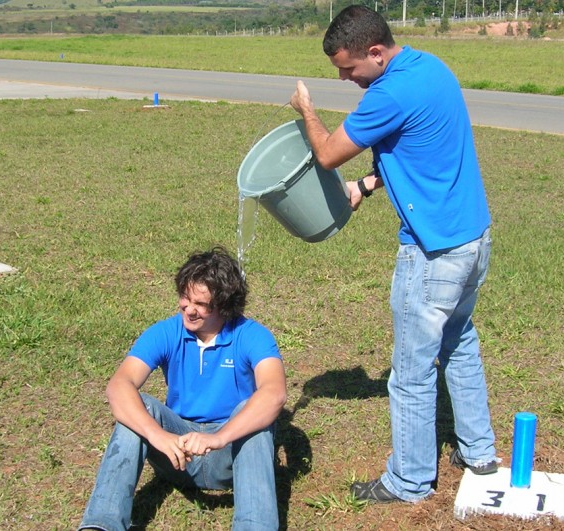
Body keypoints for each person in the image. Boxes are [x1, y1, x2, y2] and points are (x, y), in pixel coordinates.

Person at [289, 5, 498, 503]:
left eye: (348, 67)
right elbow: (417, 149)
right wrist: (366, 185)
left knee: (411, 374)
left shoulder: (388, 93)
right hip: (473, 238)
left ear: (376, 52)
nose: (345, 77)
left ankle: (408, 481)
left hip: (432, 254)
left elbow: (326, 153)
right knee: (459, 343)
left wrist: (307, 111)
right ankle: (479, 452)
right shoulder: (430, 67)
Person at [77, 247, 287, 530]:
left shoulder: (252, 335)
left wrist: (220, 437)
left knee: (253, 415)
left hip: (230, 453)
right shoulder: (167, 332)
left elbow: (274, 393)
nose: (188, 309)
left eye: (201, 304)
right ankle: (101, 523)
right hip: (177, 454)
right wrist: (158, 435)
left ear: (224, 305)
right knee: (141, 406)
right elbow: (119, 385)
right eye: (185, 298)